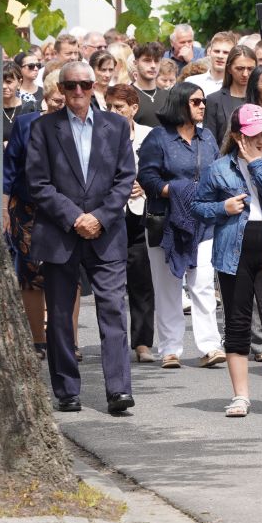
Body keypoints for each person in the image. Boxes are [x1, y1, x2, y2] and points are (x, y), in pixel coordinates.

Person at [25, 60, 136, 415]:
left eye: (84, 85)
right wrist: (75, 218)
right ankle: (67, 389)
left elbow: (125, 179)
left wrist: (99, 218)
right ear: (60, 88)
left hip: (107, 233)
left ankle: (118, 390)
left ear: (94, 87)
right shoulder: (43, 128)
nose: (77, 92)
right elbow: (38, 183)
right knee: (58, 315)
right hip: (60, 232)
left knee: (114, 311)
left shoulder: (116, 126)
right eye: (70, 85)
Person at [192, 104, 262, 419]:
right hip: (232, 251)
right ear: (238, 135)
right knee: (237, 323)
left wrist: (256, 165)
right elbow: (198, 206)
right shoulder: (218, 168)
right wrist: (222, 208)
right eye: (255, 135)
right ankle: (240, 396)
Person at [136, 81, 225, 370]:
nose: (202, 106)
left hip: (203, 221)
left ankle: (210, 346)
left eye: (203, 102)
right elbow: (147, 179)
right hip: (166, 222)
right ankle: (170, 349)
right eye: (196, 102)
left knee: (202, 286)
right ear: (180, 104)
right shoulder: (158, 139)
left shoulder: (208, 137)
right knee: (168, 287)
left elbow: (218, 170)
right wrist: (177, 192)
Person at [1, 70, 61, 359]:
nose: (61, 104)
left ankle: (67, 341)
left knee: (66, 273)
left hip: (68, 209)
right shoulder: (25, 124)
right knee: (30, 273)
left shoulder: (83, 124)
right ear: (45, 98)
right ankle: (37, 339)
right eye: (56, 99)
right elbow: (9, 169)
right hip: (28, 209)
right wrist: (3, 208)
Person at [105, 84, 157, 364]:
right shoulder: (100, 134)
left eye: (119, 107)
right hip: (110, 216)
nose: (113, 112)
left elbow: (160, 170)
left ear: (134, 109)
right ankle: (113, 341)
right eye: (109, 106)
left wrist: (145, 188)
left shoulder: (150, 136)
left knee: (141, 281)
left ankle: (142, 342)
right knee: (111, 284)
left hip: (140, 214)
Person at [204, 44, 257, 145]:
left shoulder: (259, 98)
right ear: (229, 69)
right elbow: (209, 141)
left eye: (250, 69)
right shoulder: (214, 100)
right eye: (240, 68)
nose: (245, 74)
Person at [186, 31, 237, 96]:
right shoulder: (192, 82)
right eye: (217, 51)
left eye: (225, 53)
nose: (220, 56)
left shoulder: (237, 86)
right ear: (209, 52)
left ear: (233, 55)